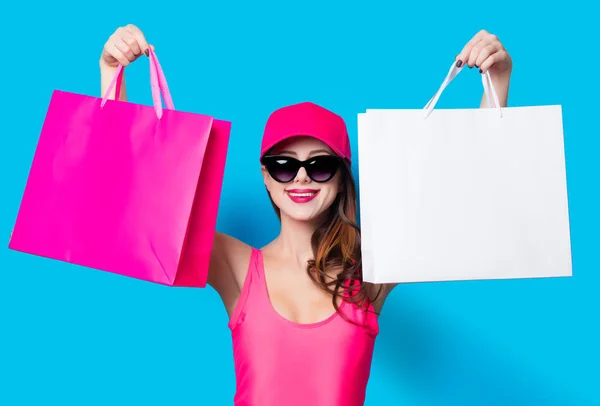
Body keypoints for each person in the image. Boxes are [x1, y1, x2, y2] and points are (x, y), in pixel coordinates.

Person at [99, 25, 513, 406]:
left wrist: (496, 82)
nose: (301, 178)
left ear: (340, 176)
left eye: (319, 165)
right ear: (266, 176)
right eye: (284, 165)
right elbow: (136, 216)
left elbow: (460, 212)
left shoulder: (371, 268)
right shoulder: (235, 265)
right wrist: (113, 77)